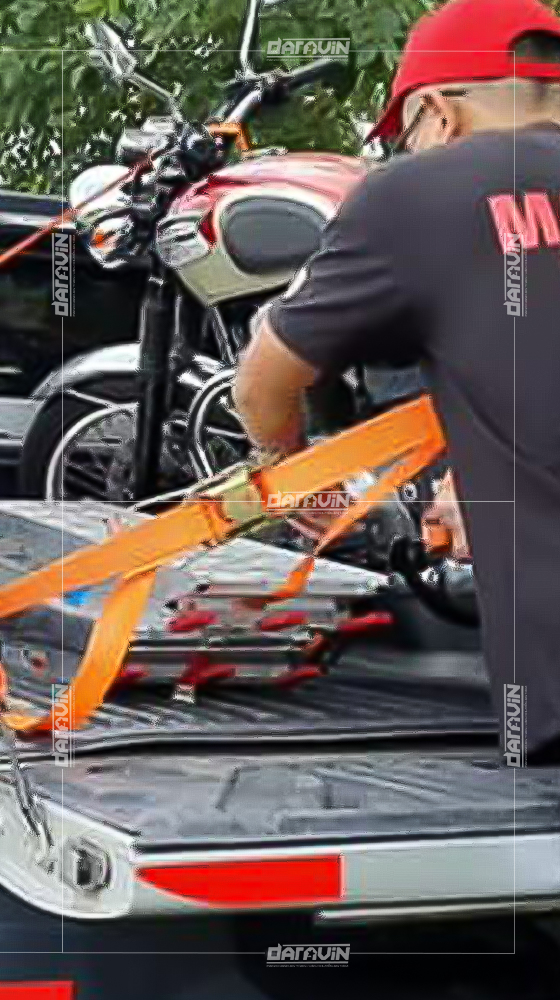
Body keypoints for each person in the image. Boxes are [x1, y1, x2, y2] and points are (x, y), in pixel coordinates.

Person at [234, 0, 560, 765]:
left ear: (439, 114)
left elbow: (261, 386)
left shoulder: (422, 193)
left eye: (404, 135)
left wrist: (288, 473)